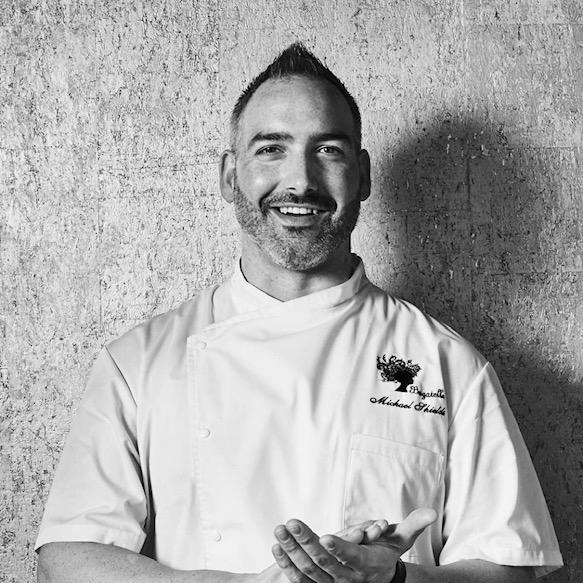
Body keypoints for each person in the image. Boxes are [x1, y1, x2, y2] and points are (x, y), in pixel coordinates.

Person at [36, 43, 562, 583]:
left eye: (328, 150)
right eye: (271, 149)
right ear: (229, 176)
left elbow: (509, 570)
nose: (301, 181)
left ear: (362, 175)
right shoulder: (139, 363)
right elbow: (68, 558)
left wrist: (393, 580)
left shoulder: (447, 363)